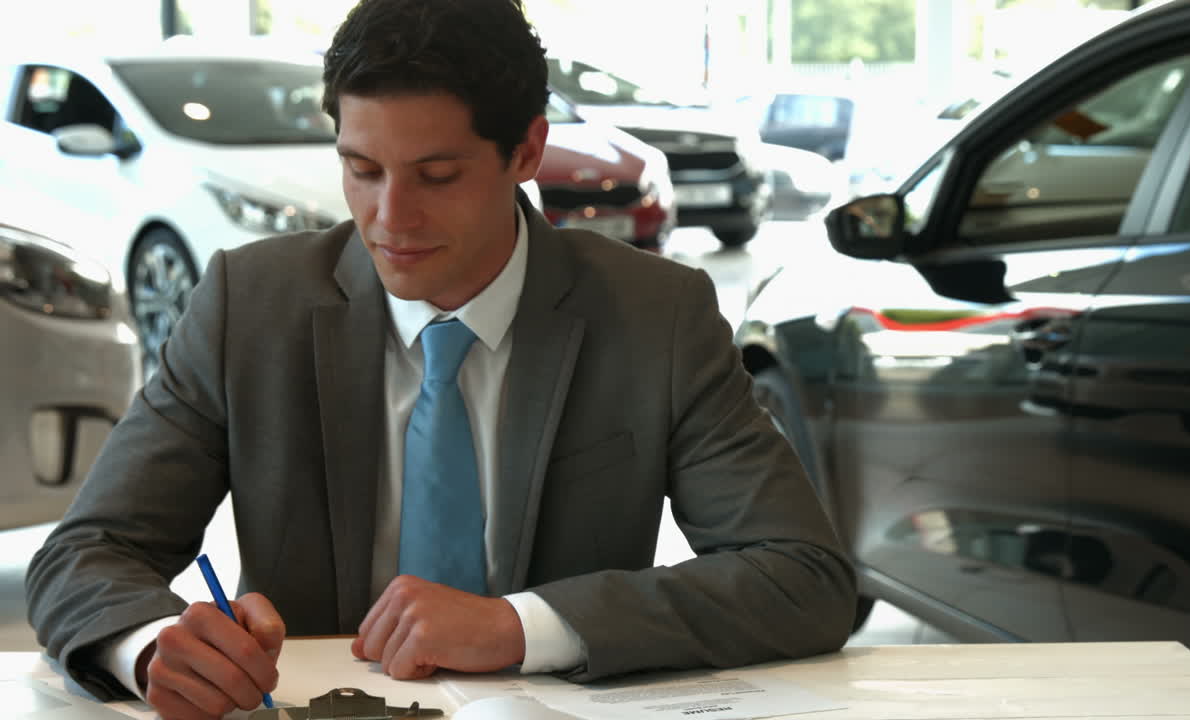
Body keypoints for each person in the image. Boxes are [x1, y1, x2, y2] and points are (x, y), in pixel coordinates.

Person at [24, 0, 858, 718]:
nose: (391, 217)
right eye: (362, 169)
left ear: (527, 152)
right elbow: (83, 555)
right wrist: (151, 646)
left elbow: (803, 577)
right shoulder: (251, 306)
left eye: (438, 175)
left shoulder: (654, 317)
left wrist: (522, 625)